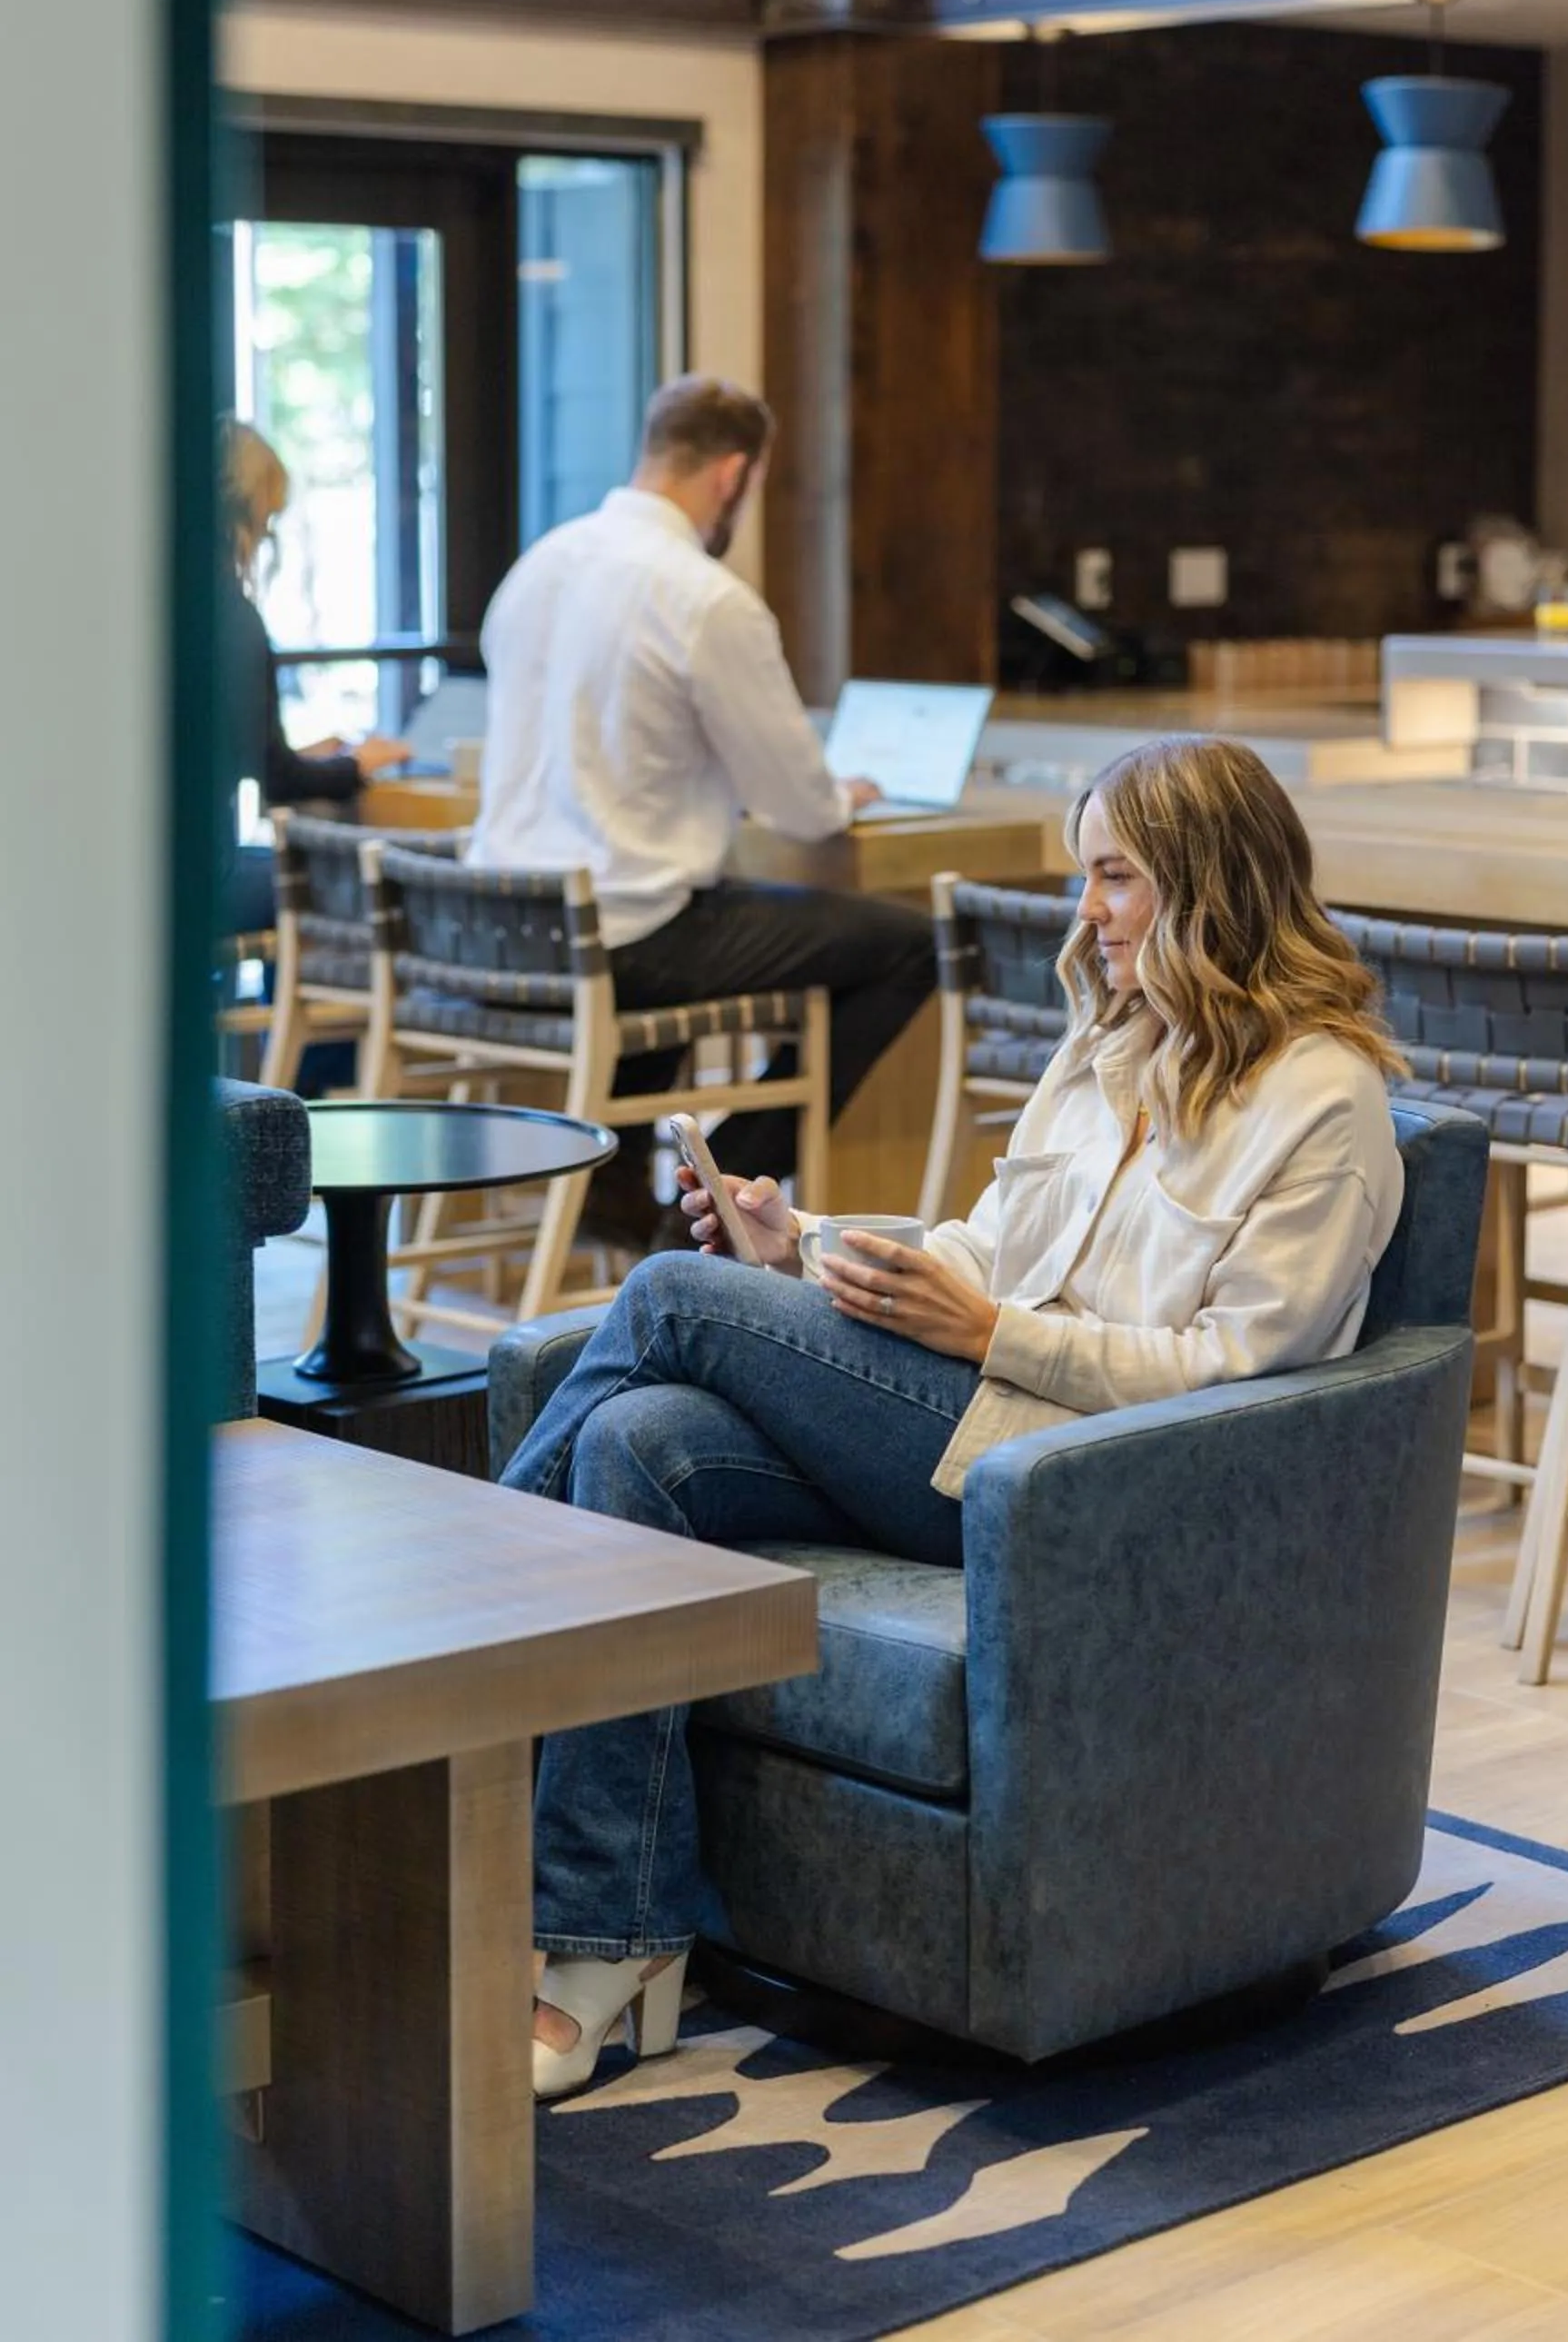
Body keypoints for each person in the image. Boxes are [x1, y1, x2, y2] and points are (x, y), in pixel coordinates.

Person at [502, 733, 1409, 2099]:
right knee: (641, 1445)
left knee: (670, 1301)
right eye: (1086, 877)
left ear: (1208, 884)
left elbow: (1242, 1374)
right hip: (970, 1421)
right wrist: (805, 1243)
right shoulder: (1109, 1044)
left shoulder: (1324, 1103)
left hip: (1079, 1482)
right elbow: (981, 1251)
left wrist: (994, 1335)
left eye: (1114, 879)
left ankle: (467, 1623)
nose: (1085, 912)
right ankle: (605, 1942)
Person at [467, 374, 935, 1229]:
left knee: (692, 903)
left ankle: (612, 1196)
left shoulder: (538, 566)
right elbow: (800, 808)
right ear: (733, 476)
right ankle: (708, 1197)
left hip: (500, 933)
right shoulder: (705, 598)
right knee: (907, 946)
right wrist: (842, 791)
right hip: (622, 941)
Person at [219, 418, 406, 936]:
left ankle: (276, 1018)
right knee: (357, 884)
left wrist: (307, 755)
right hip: (205, 882)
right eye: (269, 523)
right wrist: (355, 765)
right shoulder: (233, 618)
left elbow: (242, 755)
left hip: (156, 872)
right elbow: (276, 776)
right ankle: (309, 1018)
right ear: (249, 514)